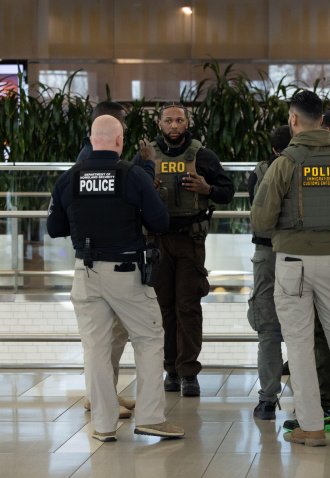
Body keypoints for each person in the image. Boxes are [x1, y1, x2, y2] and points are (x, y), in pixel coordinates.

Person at [250, 90, 330, 447]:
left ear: (293, 120)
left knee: (300, 343)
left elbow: (261, 220)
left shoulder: (285, 162)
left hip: (292, 264)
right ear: (323, 121)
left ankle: (312, 426)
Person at [48, 115, 184, 442]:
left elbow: (55, 228)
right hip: (127, 273)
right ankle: (151, 417)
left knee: (95, 349)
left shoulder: (69, 178)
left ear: (92, 140)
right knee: (149, 341)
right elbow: (160, 221)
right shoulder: (132, 175)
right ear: (120, 141)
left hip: (86, 274)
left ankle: (104, 425)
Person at [132, 102, 235, 397]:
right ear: (160, 124)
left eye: (179, 120)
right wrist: (145, 186)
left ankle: (189, 372)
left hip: (191, 241)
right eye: (168, 120)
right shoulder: (145, 156)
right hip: (157, 241)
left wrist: (208, 189)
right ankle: (170, 370)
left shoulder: (203, 156)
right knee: (164, 307)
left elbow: (227, 192)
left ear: (187, 123)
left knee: (188, 307)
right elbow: (129, 195)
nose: (174, 125)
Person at [76, 101, 143, 419]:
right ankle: (99, 398)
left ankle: (105, 394)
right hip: (104, 262)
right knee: (104, 338)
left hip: (96, 261)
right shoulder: (94, 162)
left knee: (110, 336)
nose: (126, 130)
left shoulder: (88, 160)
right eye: (123, 124)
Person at [247, 125, 291, 420]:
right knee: (309, 330)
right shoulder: (313, 167)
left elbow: (258, 214)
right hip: (305, 252)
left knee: (268, 330)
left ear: (273, 149)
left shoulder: (260, 172)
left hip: (267, 254)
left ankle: (267, 401)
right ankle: (317, 400)